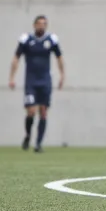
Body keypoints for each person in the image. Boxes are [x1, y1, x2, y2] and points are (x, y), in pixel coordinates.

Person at [9, 16, 65, 152]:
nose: (42, 26)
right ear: (34, 25)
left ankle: (38, 143)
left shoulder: (51, 40)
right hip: (31, 81)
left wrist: (62, 75)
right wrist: (12, 77)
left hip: (45, 80)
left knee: (44, 112)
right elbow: (16, 58)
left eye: (44, 24)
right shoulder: (26, 40)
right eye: (39, 24)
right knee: (31, 111)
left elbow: (59, 58)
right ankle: (28, 135)